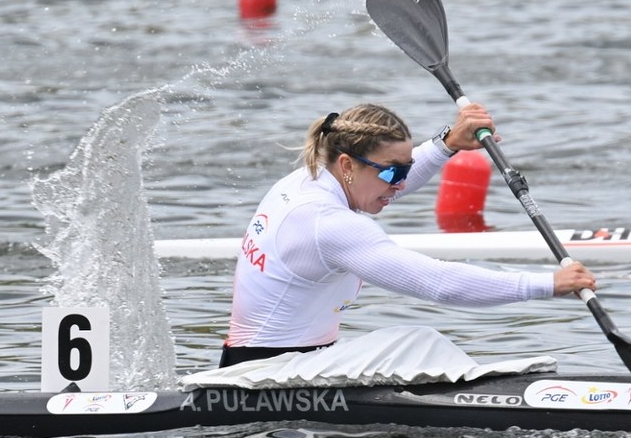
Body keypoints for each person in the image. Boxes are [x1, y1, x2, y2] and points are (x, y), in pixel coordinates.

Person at [220, 103, 597, 367]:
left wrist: (446, 143)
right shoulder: (329, 224)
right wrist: (546, 284)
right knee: (421, 343)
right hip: (267, 378)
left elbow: (386, 177)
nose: (399, 184)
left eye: (407, 170)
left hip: (270, 362)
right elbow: (438, 284)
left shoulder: (310, 178)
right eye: (391, 173)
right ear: (348, 164)